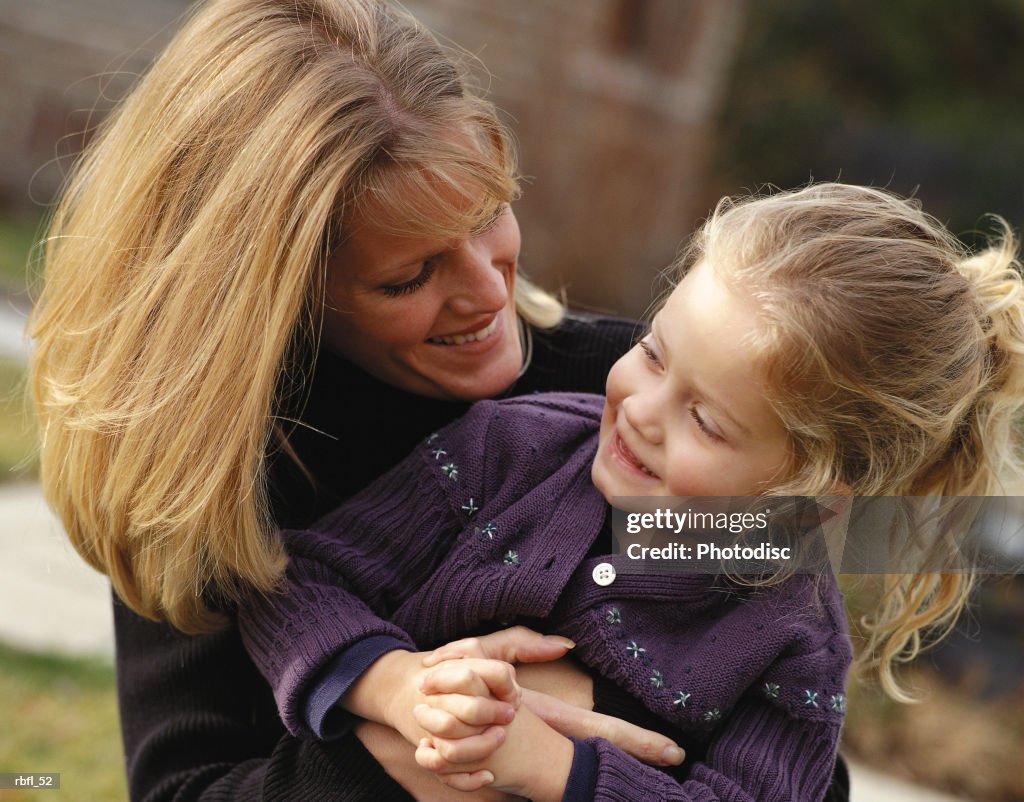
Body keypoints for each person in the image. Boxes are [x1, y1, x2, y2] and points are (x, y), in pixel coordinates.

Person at [27, 0, 706, 799]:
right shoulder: (216, 472)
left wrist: (587, 713)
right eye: (407, 278)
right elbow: (182, 787)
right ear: (275, 296)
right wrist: (421, 746)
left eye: (489, 214)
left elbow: (799, 695)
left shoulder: (628, 391)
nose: (490, 291)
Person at [236, 183, 1024, 801]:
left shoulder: (790, 642)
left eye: (706, 422)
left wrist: (556, 769)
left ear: (814, 497)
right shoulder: (507, 449)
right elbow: (298, 582)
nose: (642, 413)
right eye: (650, 354)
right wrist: (394, 685)